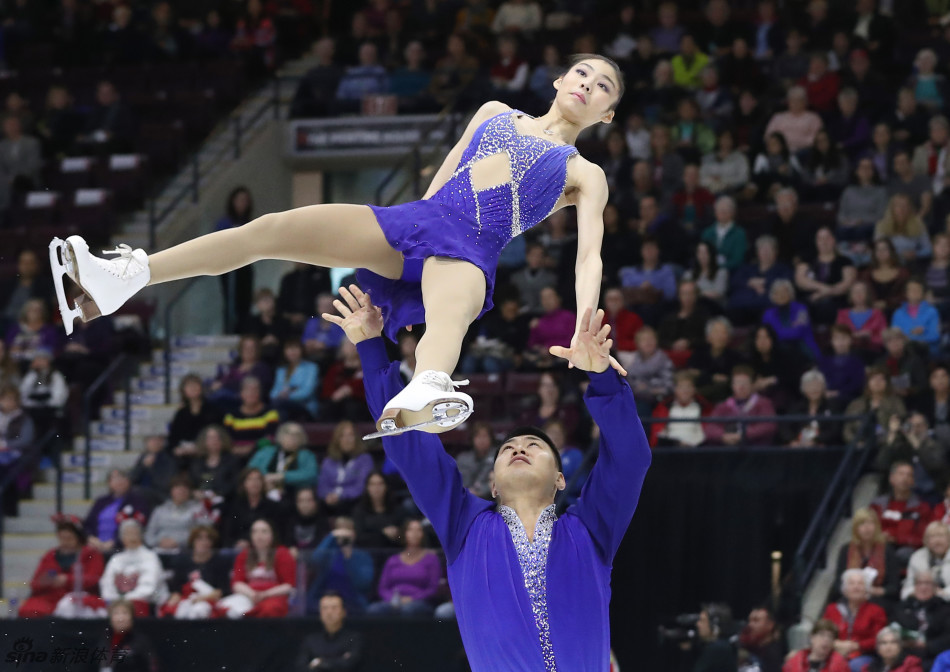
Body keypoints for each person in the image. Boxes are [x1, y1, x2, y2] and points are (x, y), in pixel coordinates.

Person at [51, 55, 630, 438]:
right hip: (418, 222)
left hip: (473, 248)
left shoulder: (583, 171)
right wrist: (403, 249)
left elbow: (589, 254)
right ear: (558, 80)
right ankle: (125, 276)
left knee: (446, 325)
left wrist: (583, 323)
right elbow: (440, 182)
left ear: (606, 114)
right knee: (272, 230)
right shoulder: (493, 112)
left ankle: (427, 388)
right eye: (582, 72)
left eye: (602, 87)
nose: (587, 84)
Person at [325, 286, 651, 670]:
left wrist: (603, 379)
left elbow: (630, 459)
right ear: (492, 485)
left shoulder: (591, 529)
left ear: (561, 479)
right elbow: (407, 443)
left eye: (534, 444)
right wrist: (369, 345)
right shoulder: (465, 524)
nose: (519, 448)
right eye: (508, 448)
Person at [19, 514, 104, 618]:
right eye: (62, 538)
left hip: (78, 597)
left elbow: (94, 579)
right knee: (29, 610)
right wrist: (45, 581)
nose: (65, 542)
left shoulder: (91, 554)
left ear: (78, 537)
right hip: (50, 598)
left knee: (68, 608)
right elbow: (34, 583)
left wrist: (67, 580)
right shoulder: (50, 555)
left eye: (69, 538)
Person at [218, 518, 295, 618]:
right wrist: (252, 594)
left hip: (274, 596)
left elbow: (288, 585)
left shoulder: (282, 553)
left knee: (270, 610)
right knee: (223, 608)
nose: (259, 536)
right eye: (255, 532)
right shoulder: (244, 554)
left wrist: (264, 594)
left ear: (272, 534)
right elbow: (237, 583)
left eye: (264, 531)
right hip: (249, 595)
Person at [367, 518, 442, 617]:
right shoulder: (392, 560)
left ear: (423, 534)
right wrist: (392, 599)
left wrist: (412, 599)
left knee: (408, 610)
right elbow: (383, 587)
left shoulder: (431, 559)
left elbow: (433, 588)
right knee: (374, 609)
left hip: (420, 602)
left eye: (418, 530)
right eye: (410, 530)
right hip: (393, 601)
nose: (414, 533)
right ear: (404, 533)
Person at [822, 569, 888, 672]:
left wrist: (855, 646)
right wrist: (834, 643)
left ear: (866, 589)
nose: (856, 587)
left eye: (860, 583)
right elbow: (822, 633)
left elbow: (880, 638)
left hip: (863, 654)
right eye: (851, 583)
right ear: (844, 589)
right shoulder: (832, 609)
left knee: (852, 666)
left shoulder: (876, 611)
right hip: (833, 651)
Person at [99, 520, 169, 617]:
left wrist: (123, 601)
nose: (131, 537)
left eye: (134, 533)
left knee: (126, 610)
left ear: (141, 535)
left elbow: (148, 588)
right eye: (127, 533)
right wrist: (115, 600)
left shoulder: (150, 557)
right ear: (122, 538)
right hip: (117, 602)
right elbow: (106, 583)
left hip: (146, 603)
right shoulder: (116, 558)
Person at [831, 508, 900, 606]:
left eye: (870, 523)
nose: (867, 528)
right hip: (850, 598)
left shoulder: (887, 550)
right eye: (862, 524)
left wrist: (876, 591)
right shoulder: (846, 550)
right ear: (855, 528)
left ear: (876, 526)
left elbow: (894, 587)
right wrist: (853, 592)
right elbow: (839, 582)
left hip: (877, 599)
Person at [160, 525, 231, 619]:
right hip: (187, 600)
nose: (204, 542)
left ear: (212, 543)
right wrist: (175, 598)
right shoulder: (182, 561)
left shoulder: (220, 562)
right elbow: (176, 588)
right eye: (200, 539)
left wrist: (202, 598)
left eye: (208, 539)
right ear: (193, 541)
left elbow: (222, 590)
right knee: (177, 611)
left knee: (199, 610)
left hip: (209, 600)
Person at [308, 516, 375, 615]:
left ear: (354, 533)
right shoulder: (329, 554)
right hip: (326, 598)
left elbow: (363, 583)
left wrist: (349, 558)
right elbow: (315, 560)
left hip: (353, 601)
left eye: (347, 529)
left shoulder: (363, 556)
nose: (343, 534)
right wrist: (331, 536)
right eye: (340, 529)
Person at [870, 462, 932, 563]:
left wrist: (896, 539)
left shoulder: (922, 507)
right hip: (878, 546)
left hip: (905, 550)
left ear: (913, 481)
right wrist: (879, 537)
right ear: (891, 478)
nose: (905, 478)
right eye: (901, 474)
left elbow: (923, 538)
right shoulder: (877, 504)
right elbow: (866, 529)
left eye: (909, 475)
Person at [704, 366, 778, 446]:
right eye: (738, 383)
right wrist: (723, 436)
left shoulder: (764, 403)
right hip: (728, 448)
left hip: (756, 448)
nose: (741, 387)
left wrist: (743, 435)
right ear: (732, 386)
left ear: (752, 385)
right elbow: (710, 428)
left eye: (745, 383)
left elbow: (768, 426)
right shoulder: (723, 406)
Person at [248, 422, 318, 502]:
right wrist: (265, 480)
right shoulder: (265, 452)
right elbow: (249, 471)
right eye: (288, 434)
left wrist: (282, 477)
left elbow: (311, 475)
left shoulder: (307, 455)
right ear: (280, 436)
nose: (292, 438)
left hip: (294, 495)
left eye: (296, 435)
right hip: (264, 492)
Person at [83, 469, 150, 553]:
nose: (119, 481)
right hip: (96, 545)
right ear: (109, 483)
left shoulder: (137, 501)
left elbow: (138, 525)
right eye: (115, 479)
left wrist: (115, 542)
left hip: (121, 547)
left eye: (122, 478)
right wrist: (91, 538)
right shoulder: (101, 501)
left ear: (128, 481)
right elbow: (87, 524)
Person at [894, 569, 950, 669]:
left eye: (928, 583)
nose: (923, 587)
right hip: (904, 653)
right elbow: (894, 628)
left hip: (933, 655)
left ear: (935, 587)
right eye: (919, 583)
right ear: (914, 586)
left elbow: (947, 638)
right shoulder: (903, 606)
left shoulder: (945, 608)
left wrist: (927, 645)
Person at [295, 591, 364, 671]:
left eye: (334, 608)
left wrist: (319, 663)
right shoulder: (311, 640)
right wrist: (339, 660)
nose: (329, 612)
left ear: (344, 612)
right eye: (324, 608)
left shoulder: (352, 639)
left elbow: (350, 664)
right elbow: (301, 667)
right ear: (320, 612)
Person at [316, 420, 374, 515]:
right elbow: (322, 487)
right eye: (342, 436)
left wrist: (340, 495)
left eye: (350, 435)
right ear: (337, 440)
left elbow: (361, 486)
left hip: (354, 503)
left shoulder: (365, 459)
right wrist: (329, 496)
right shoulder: (328, 461)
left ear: (356, 438)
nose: (346, 439)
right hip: (329, 504)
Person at [143, 475, 210, 554]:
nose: (181, 491)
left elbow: (205, 529)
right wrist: (158, 542)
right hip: (158, 549)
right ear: (171, 490)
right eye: (177, 488)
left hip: (185, 550)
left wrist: (178, 542)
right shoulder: (160, 510)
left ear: (190, 492)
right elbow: (149, 533)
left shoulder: (197, 508)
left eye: (185, 488)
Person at [221, 468, 285, 549]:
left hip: (266, 548)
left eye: (257, 479)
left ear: (262, 483)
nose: (254, 483)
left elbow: (276, 532)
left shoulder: (273, 507)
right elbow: (228, 532)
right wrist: (236, 543)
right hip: (239, 548)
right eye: (250, 479)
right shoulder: (234, 507)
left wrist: (250, 542)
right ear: (244, 484)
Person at [166, 374, 223, 464]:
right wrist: (177, 449)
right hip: (184, 453)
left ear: (201, 387)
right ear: (183, 390)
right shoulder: (181, 413)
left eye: (195, 385)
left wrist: (200, 447)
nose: (192, 388)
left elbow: (219, 431)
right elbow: (173, 437)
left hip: (207, 451)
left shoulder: (213, 409)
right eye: (189, 386)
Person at [91, 601, 160, 672]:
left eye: (125, 613)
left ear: (132, 618)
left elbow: (153, 667)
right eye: (116, 613)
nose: (121, 618)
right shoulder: (102, 640)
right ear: (110, 619)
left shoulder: (141, 641)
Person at [188, 424, 240, 503]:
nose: (214, 441)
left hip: (226, 502)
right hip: (200, 502)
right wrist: (194, 492)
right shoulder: (197, 461)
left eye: (217, 438)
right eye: (210, 438)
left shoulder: (232, 460)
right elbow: (192, 482)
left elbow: (235, 483)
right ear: (204, 441)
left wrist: (218, 493)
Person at [270, 340, 320, 420]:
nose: (292, 351)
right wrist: (281, 395)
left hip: (305, 407)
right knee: (279, 409)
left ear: (301, 350)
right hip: (283, 405)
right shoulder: (281, 370)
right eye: (289, 348)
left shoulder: (311, 368)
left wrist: (287, 395)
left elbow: (307, 392)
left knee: (279, 407)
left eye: (295, 348)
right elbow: (273, 394)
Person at [353, 471, 403, 548]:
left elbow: (404, 536)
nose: (376, 488)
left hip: (394, 551)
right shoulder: (359, 510)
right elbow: (359, 537)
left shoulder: (397, 509)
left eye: (380, 484)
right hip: (369, 552)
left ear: (386, 486)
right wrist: (382, 534)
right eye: (372, 484)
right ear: (367, 487)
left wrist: (398, 534)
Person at [902, 522, 950, 601]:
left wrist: (940, 593)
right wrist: (922, 592)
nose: (937, 541)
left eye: (941, 536)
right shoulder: (917, 557)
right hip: (923, 601)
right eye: (933, 537)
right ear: (926, 540)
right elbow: (907, 589)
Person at [891, 280, 941, 355]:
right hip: (904, 351)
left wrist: (923, 332)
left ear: (922, 293)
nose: (915, 292)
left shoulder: (932, 312)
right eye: (911, 289)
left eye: (918, 289)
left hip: (927, 351)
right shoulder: (898, 314)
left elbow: (935, 335)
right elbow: (894, 336)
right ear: (906, 293)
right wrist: (912, 333)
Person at [836, 282, 887, 353]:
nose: (858, 294)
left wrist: (870, 336)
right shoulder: (842, 315)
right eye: (855, 292)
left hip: (872, 352)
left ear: (867, 295)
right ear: (850, 295)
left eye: (862, 291)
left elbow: (883, 336)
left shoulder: (878, 314)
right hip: (848, 352)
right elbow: (839, 336)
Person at [783, 619, 850, 672]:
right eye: (822, 635)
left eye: (830, 637)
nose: (826, 640)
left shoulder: (840, 664)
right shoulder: (796, 661)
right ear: (812, 637)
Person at [455, 421, 495, 499]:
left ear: (491, 438)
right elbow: (459, 483)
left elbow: (499, 483)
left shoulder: (499, 456)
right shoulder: (463, 459)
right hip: (467, 499)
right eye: (478, 436)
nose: (482, 440)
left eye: (485, 436)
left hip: (490, 499)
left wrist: (481, 492)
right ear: (472, 439)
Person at [739, 605, 784, 672]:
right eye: (749, 621)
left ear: (770, 625)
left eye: (756, 620)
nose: (750, 625)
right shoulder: (745, 647)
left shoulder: (773, 655)